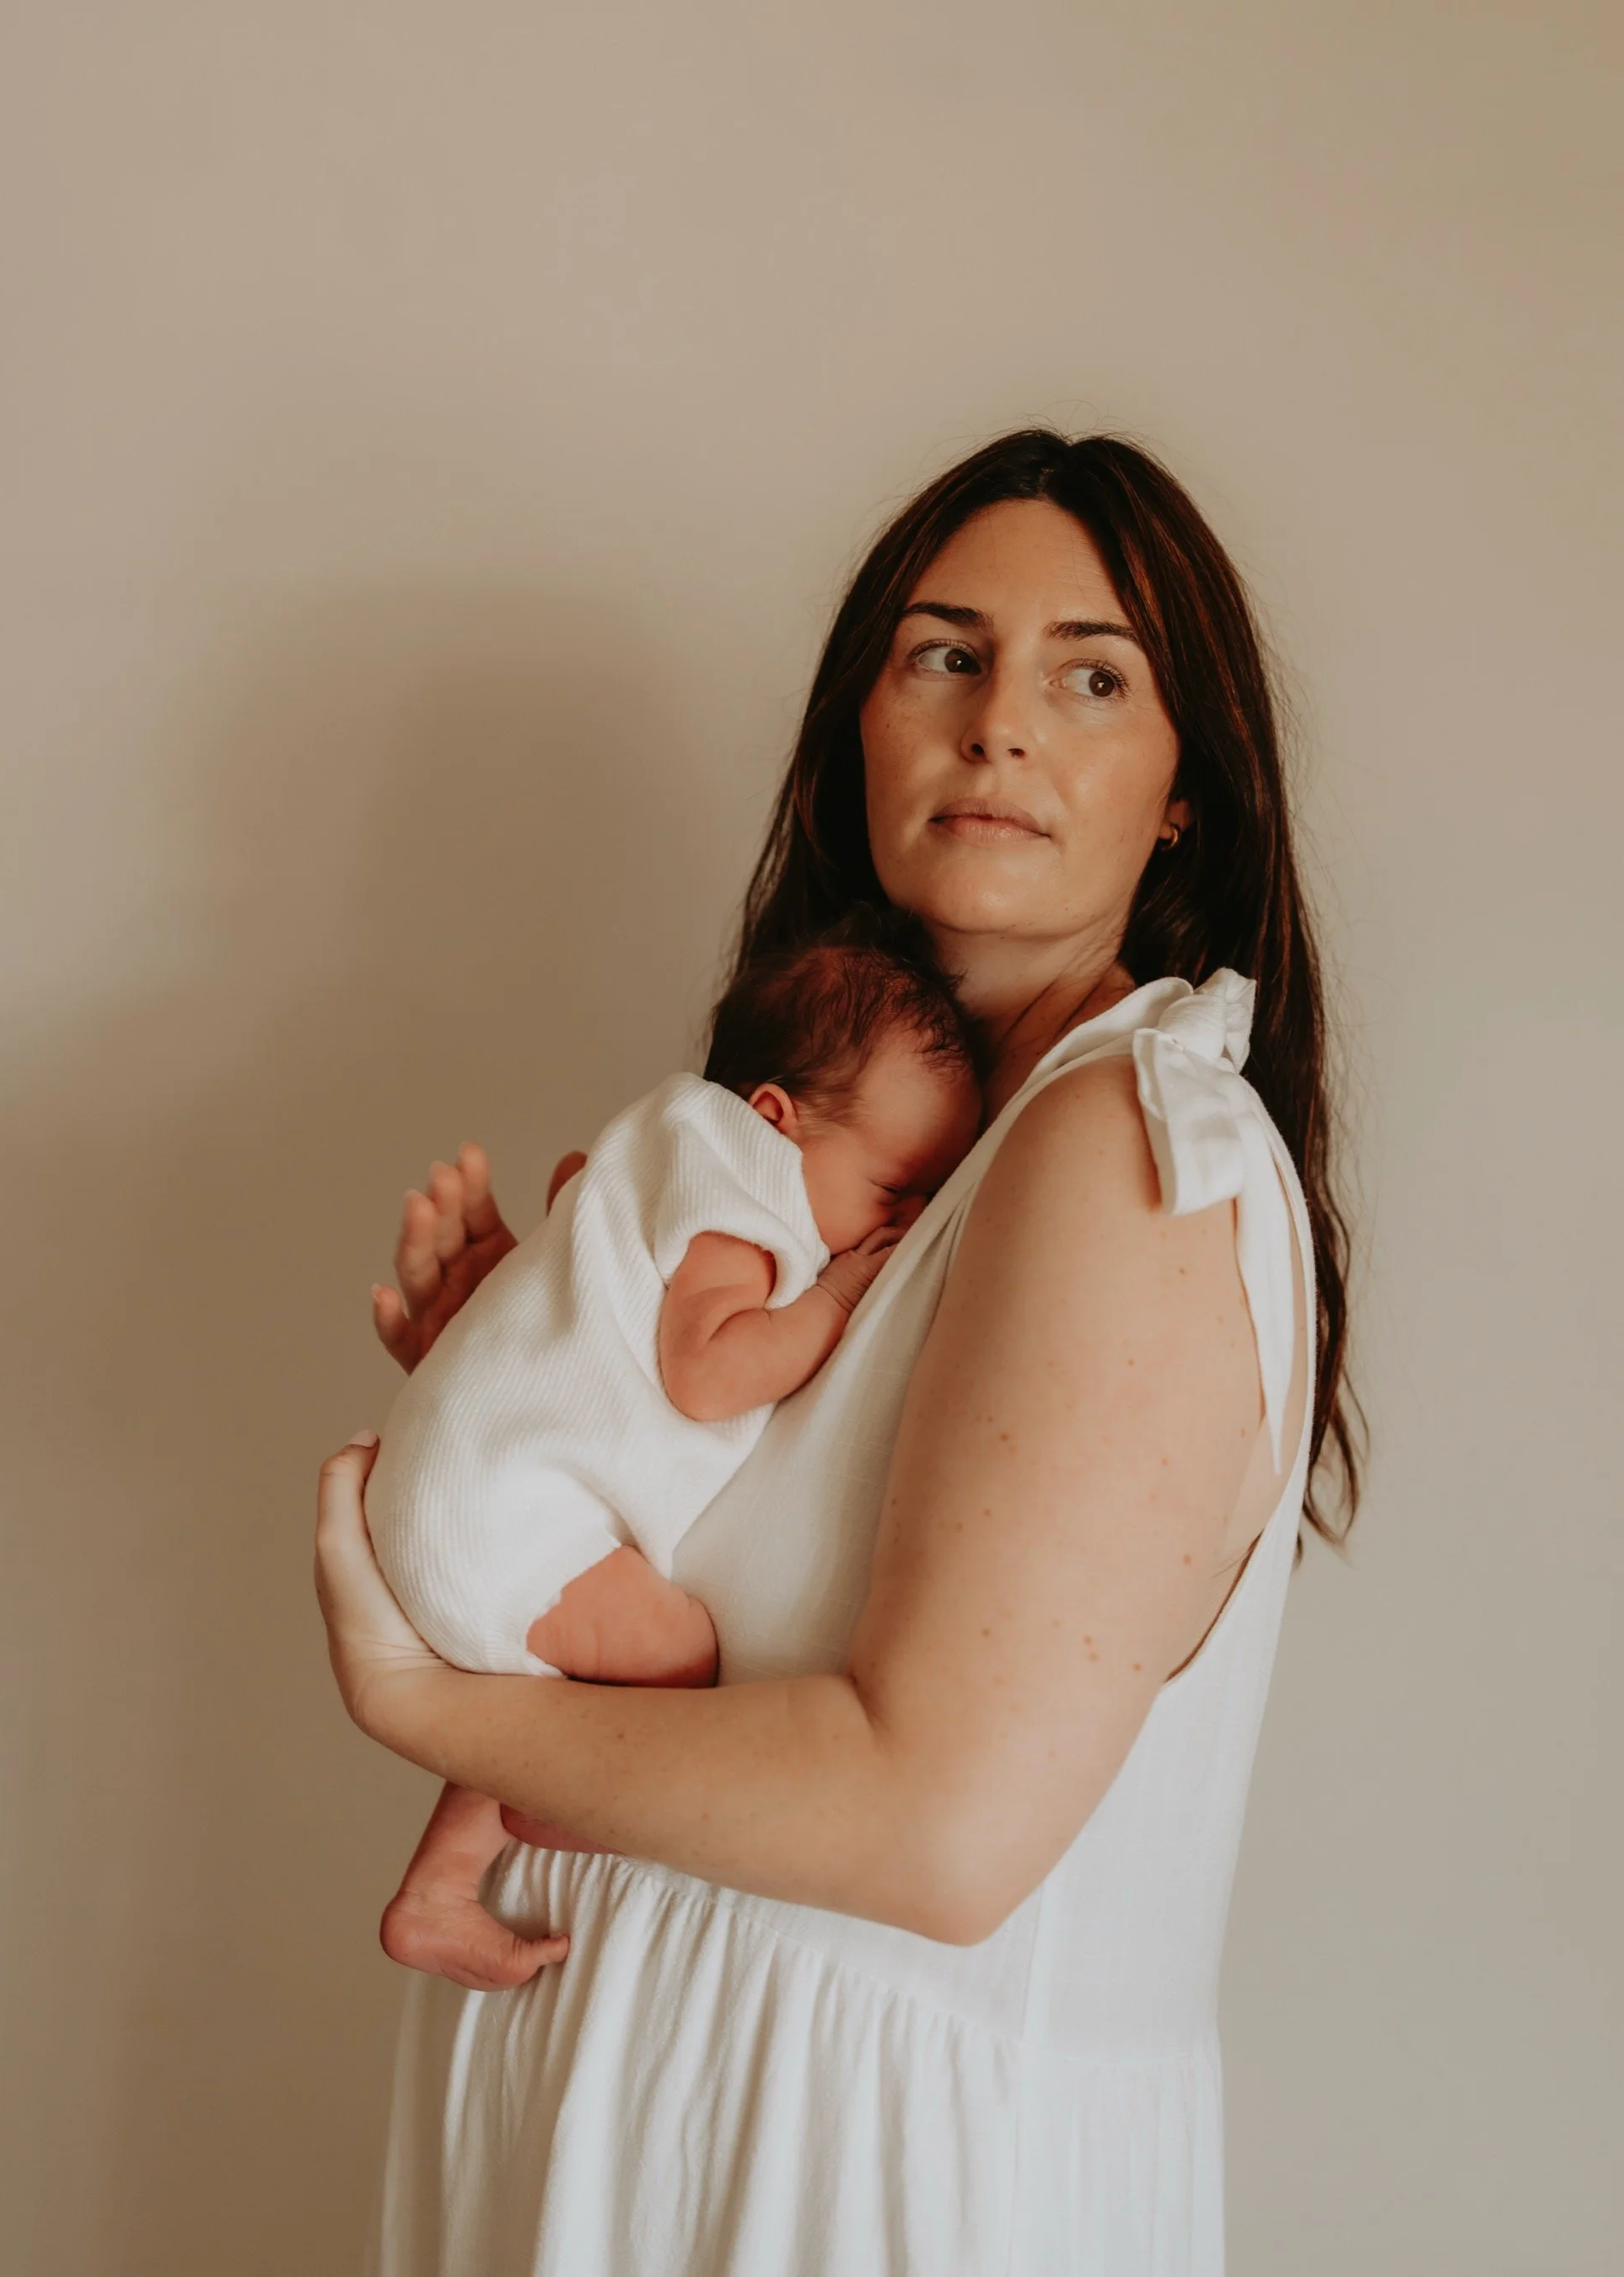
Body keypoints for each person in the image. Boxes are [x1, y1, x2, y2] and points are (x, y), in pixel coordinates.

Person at [315, 427, 1362, 2276]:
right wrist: (549, 1371)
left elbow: (937, 1829)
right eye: (945, 655)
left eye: (1091, 674)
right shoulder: (847, 1158)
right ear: (860, 728)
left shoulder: (1130, 1150)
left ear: (1186, 791)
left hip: (849, 2200)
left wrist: (423, 1706)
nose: (1001, 723)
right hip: (653, 2144)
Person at [364, 917, 981, 1989]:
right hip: (505, 1516)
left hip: (471, 1496)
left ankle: (435, 1890)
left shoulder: (662, 1147)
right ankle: (568, 1814)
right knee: (679, 1657)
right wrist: (836, 1295)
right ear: (776, 1121)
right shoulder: (740, 1214)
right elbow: (710, 1373)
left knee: (558, 1680)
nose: (903, 1221)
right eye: (892, 1190)